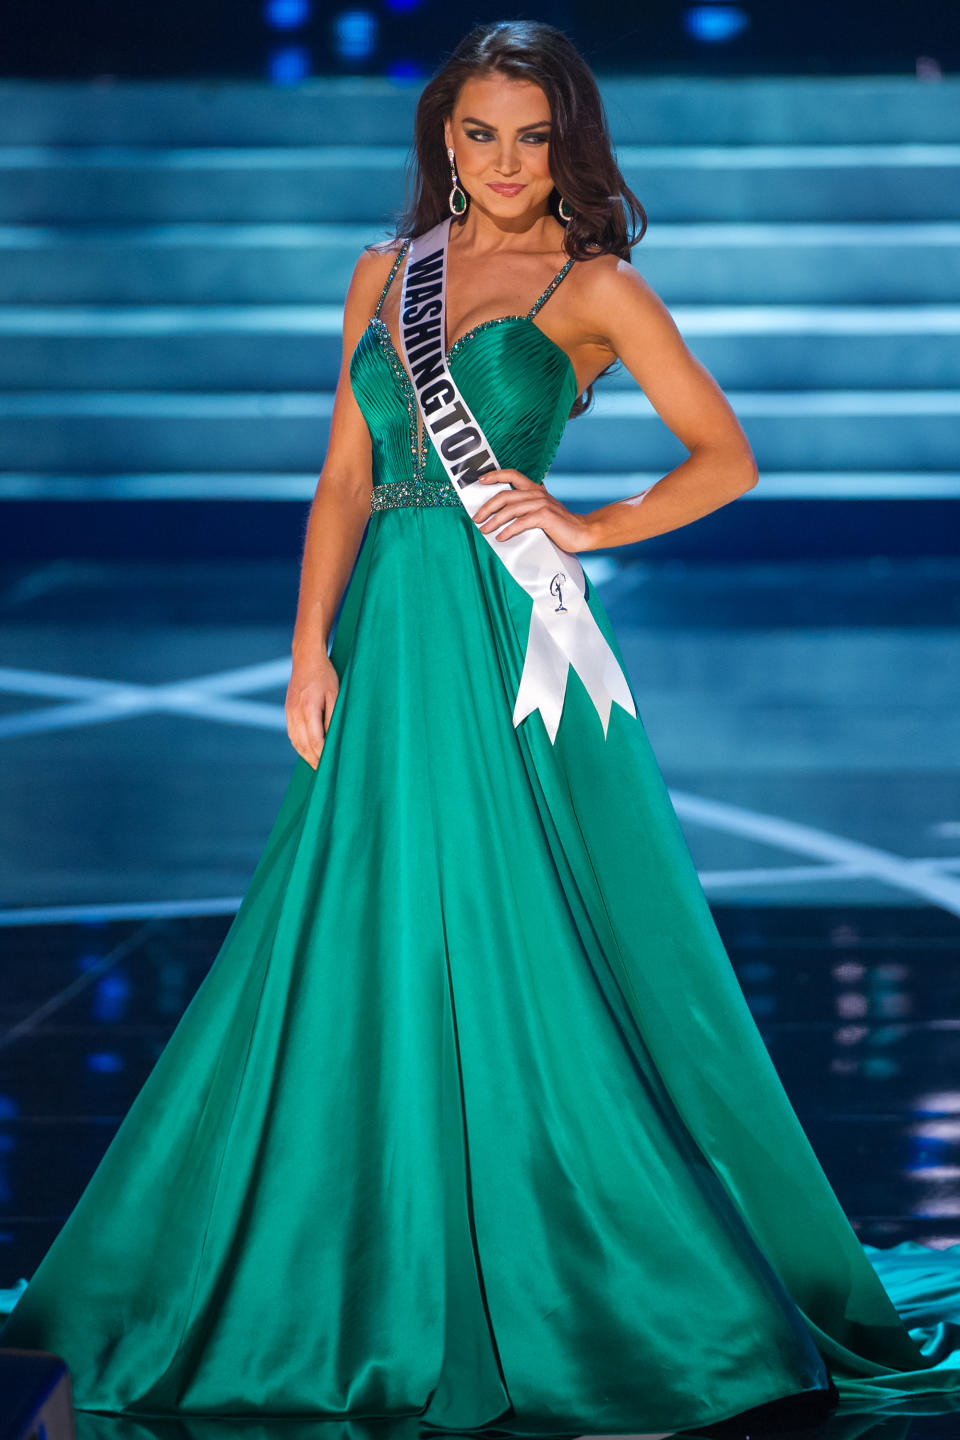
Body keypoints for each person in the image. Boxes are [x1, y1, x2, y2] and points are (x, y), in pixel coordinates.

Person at [4, 16, 960, 1435]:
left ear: (563, 142)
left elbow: (729, 456)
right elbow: (342, 477)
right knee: (358, 922)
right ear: (442, 142)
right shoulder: (385, 275)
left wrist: (596, 518)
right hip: (391, 624)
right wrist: (304, 652)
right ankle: (344, 1242)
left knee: (532, 927)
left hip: (513, 630)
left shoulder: (598, 286)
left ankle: (576, 1262)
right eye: (478, 133)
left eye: (531, 135)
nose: (507, 162)